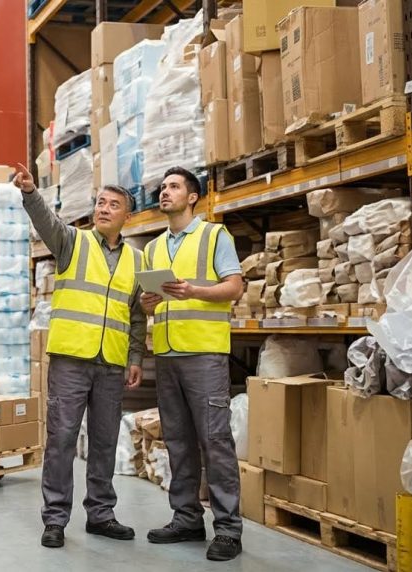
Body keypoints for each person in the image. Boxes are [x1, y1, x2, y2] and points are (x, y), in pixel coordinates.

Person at [11, 164, 145, 549]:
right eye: (100, 202)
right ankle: (55, 519)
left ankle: (101, 514)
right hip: (71, 359)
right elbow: (46, 222)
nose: (103, 208)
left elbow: (137, 314)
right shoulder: (73, 242)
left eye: (113, 204)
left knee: (104, 441)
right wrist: (30, 192)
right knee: (62, 438)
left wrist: (135, 356)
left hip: (111, 363)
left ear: (127, 216)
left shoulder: (137, 261)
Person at [139, 166, 244, 562]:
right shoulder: (153, 248)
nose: (164, 192)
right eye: (162, 187)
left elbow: (234, 287)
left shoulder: (214, 235)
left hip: (204, 354)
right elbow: (150, 305)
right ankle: (186, 518)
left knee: (215, 441)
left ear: (193, 196)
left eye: (173, 187)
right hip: (167, 355)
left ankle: (228, 530)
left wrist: (194, 291)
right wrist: (148, 303)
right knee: (178, 441)